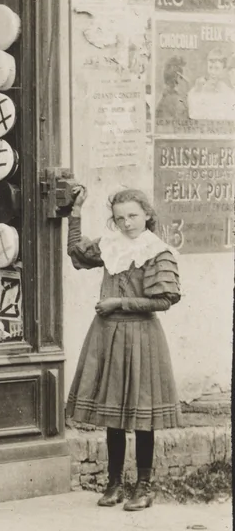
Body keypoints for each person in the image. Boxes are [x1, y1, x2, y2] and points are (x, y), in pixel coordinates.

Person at [65, 186, 182, 511]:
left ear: (147, 214)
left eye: (132, 215)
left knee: (143, 416)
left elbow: (164, 299)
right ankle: (114, 483)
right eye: (120, 218)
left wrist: (119, 301)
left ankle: (143, 486)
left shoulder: (157, 251)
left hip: (142, 337)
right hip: (108, 335)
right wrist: (75, 212)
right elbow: (77, 253)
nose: (127, 223)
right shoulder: (110, 245)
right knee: (113, 414)